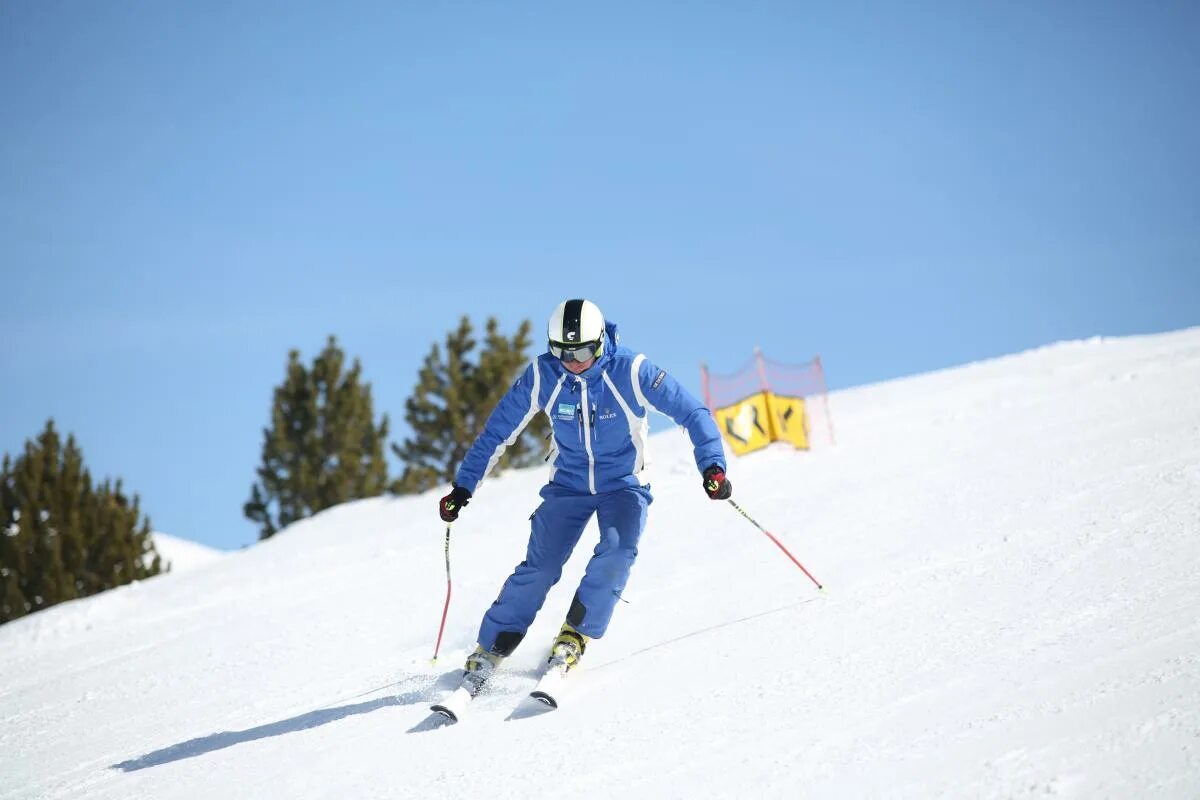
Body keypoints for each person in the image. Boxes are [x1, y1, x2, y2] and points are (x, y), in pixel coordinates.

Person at [438, 298, 732, 693]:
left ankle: (575, 635)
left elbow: (693, 413)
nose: (572, 361)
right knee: (540, 568)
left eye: (581, 351)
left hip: (623, 486)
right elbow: (497, 433)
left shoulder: (631, 369)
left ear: (600, 343)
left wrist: (712, 466)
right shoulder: (544, 375)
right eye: (562, 351)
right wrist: (464, 486)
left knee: (616, 551)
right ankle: (490, 648)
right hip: (568, 487)